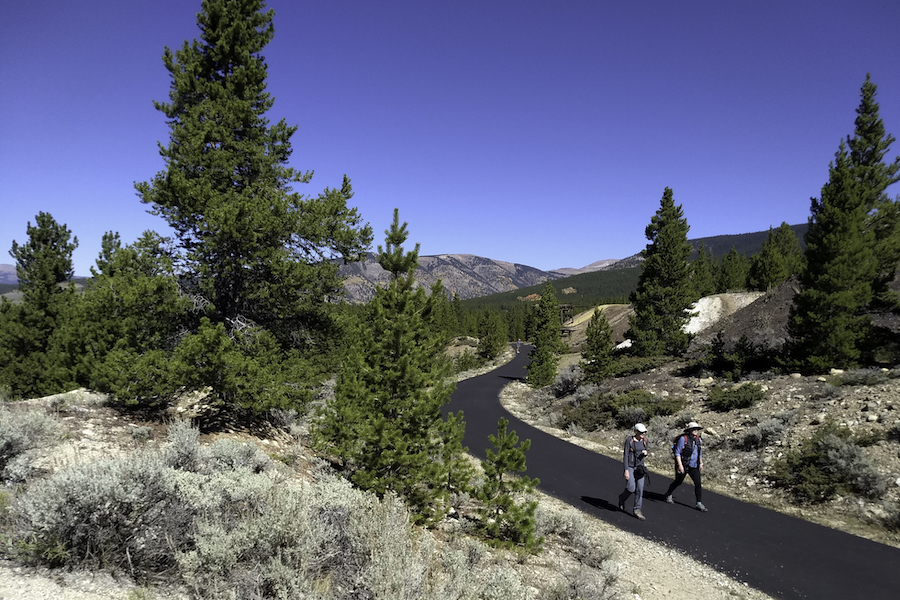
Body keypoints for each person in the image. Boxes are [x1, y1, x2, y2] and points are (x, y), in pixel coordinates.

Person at [664, 421, 708, 512]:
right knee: (678, 481)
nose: (696, 431)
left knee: (698, 483)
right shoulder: (683, 439)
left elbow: (699, 453)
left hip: (694, 465)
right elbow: (677, 453)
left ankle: (699, 503)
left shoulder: (698, 440)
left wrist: (701, 463)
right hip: (683, 464)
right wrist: (680, 465)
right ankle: (668, 494)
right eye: (694, 429)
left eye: (697, 429)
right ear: (689, 430)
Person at [618, 423, 649, 520]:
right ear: (636, 432)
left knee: (640, 489)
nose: (643, 434)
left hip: (640, 467)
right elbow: (626, 455)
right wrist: (626, 470)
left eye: (644, 432)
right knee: (631, 488)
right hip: (631, 466)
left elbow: (646, 449)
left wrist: (645, 453)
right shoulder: (629, 440)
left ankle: (637, 510)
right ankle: (622, 498)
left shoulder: (645, 441)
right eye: (641, 432)